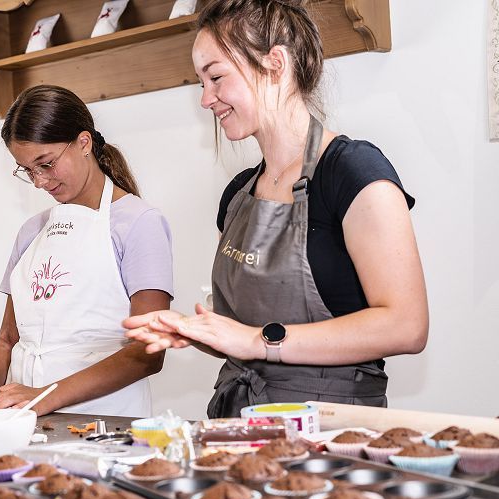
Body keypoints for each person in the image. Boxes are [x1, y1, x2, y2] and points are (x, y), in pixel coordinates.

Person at [124, 0, 428, 417]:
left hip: (332, 433)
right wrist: (200, 331)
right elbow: (245, 332)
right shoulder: (238, 196)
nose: (205, 100)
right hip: (239, 425)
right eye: (201, 82)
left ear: (275, 65)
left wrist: (256, 341)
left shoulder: (352, 173)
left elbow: (406, 326)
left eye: (215, 78)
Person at [0, 85, 173, 417]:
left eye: (46, 164)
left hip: (109, 421)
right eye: (28, 170)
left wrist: (45, 396)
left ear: (84, 142)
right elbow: (6, 341)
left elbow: (148, 352)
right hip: (28, 420)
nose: (40, 181)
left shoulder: (140, 223)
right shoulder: (31, 232)